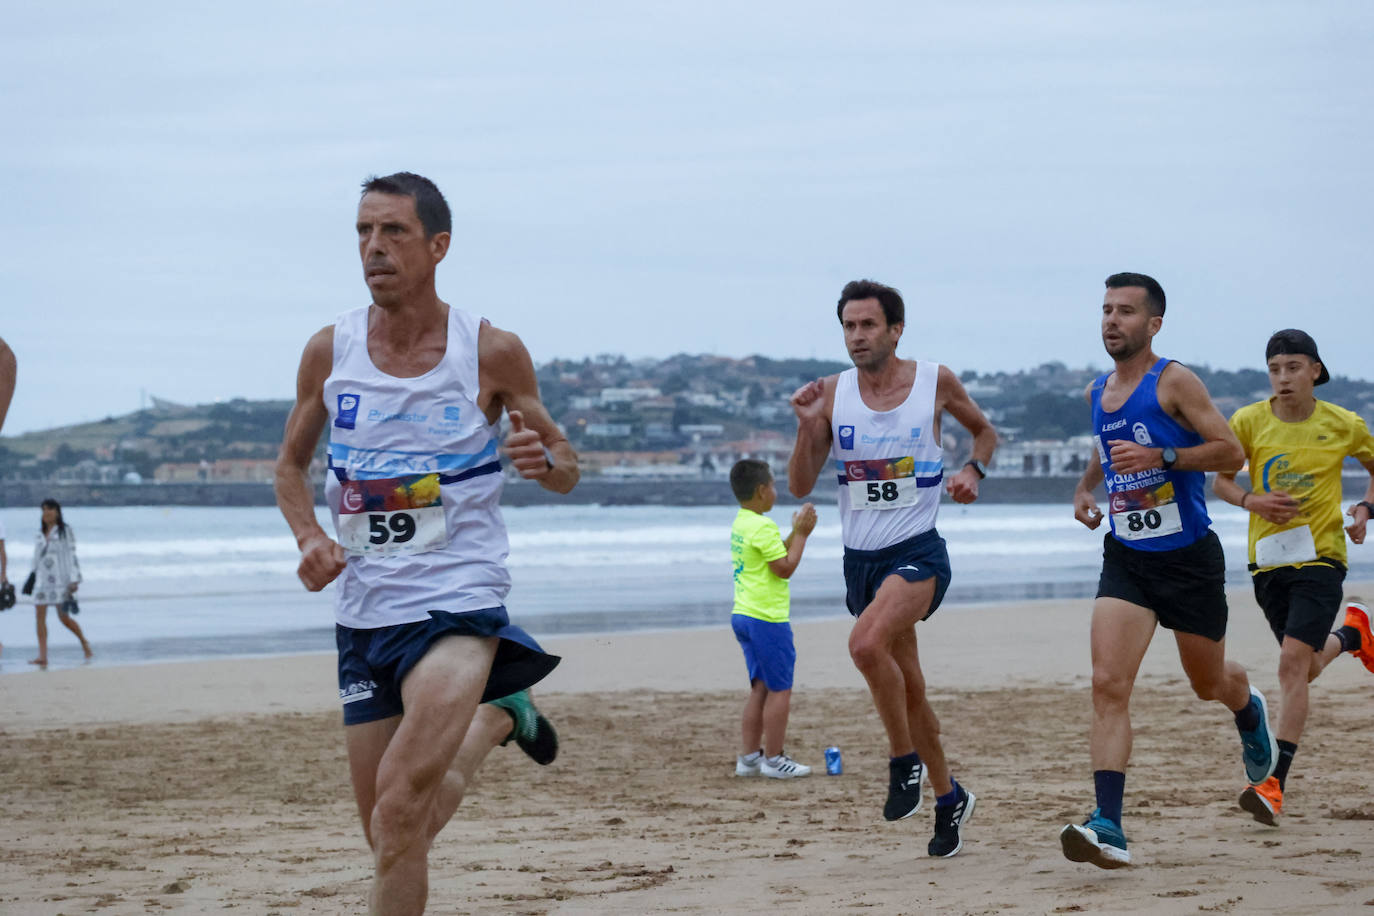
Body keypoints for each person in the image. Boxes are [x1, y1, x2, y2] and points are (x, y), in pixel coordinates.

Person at [274, 172, 578, 916]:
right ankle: (502, 714)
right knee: (389, 833)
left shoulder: (490, 351)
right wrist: (310, 535)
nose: (374, 248)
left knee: (401, 813)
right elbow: (288, 466)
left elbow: (565, 463)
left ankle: (493, 693)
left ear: (438, 246)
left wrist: (546, 463)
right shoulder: (329, 350)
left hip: (458, 604)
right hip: (364, 614)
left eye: (394, 232)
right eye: (363, 233)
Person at [1062, 272, 1277, 870]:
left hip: (1188, 561)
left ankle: (1246, 707)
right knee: (1108, 685)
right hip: (1127, 558)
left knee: (1208, 683)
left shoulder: (1174, 381)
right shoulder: (1097, 391)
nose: (1112, 320)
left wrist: (1164, 456)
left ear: (1153, 324)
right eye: (1106, 309)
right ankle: (1109, 823)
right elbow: (1107, 448)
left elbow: (1232, 453)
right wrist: (1085, 487)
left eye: (1126, 311)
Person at [787, 279, 998, 858]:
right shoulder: (830, 394)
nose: (857, 336)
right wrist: (809, 427)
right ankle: (949, 795)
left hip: (918, 552)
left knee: (864, 645)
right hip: (862, 562)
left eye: (868, 325)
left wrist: (973, 472)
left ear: (895, 329)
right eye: (849, 327)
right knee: (911, 692)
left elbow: (985, 431)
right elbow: (799, 483)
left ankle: (903, 763)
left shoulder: (934, 381)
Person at [1212, 328, 1374, 826]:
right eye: (1276, 370)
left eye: (1294, 368)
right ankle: (1351, 635)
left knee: (1288, 665)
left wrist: (1365, 507)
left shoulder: (1343, 423)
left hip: (1322, 558)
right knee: (1301, 669)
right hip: (1268, 563)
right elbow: (1219, 479)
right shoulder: (1248, 421)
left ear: (1315, 371)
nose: (1283, 378)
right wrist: (1250, 500)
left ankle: (1273, 783)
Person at [729, 458, 818, 780]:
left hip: (743, 613)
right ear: (762, 491)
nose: (776, 491)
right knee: (781, 689)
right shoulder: (762, 526)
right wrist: (804, 536)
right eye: (774, 486)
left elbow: (774, 554)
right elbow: (784, 568)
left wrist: (794, 530)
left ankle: (750, 758)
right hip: (766, 617)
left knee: (761, 688)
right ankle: (775, 759)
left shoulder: (742, 522)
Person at [28, 498, 92, 667]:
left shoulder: (65, 531)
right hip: (42, 581)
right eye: (43, 510)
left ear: (57, 512)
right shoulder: (39, 534)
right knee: (39, 617)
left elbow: (72, 555)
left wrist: (74, 579)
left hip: (61, 581)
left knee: (63, 618)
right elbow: (35, 558)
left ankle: (84, 642)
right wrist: (31, 576)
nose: (46, 513)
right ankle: (43, 655)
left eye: (50, 509)